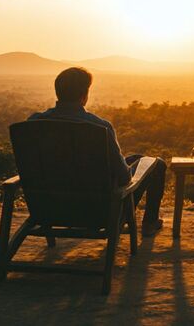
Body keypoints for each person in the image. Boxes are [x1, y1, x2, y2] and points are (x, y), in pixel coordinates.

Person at [28, 67, 167, 237]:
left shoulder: (34, 123)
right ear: (84, 96)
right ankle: (150, 223)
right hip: (98, 212)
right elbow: (125, 178)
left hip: (50, 210)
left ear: (58, 92)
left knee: (138, 158)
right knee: (157, 164)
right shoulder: (99, 127)